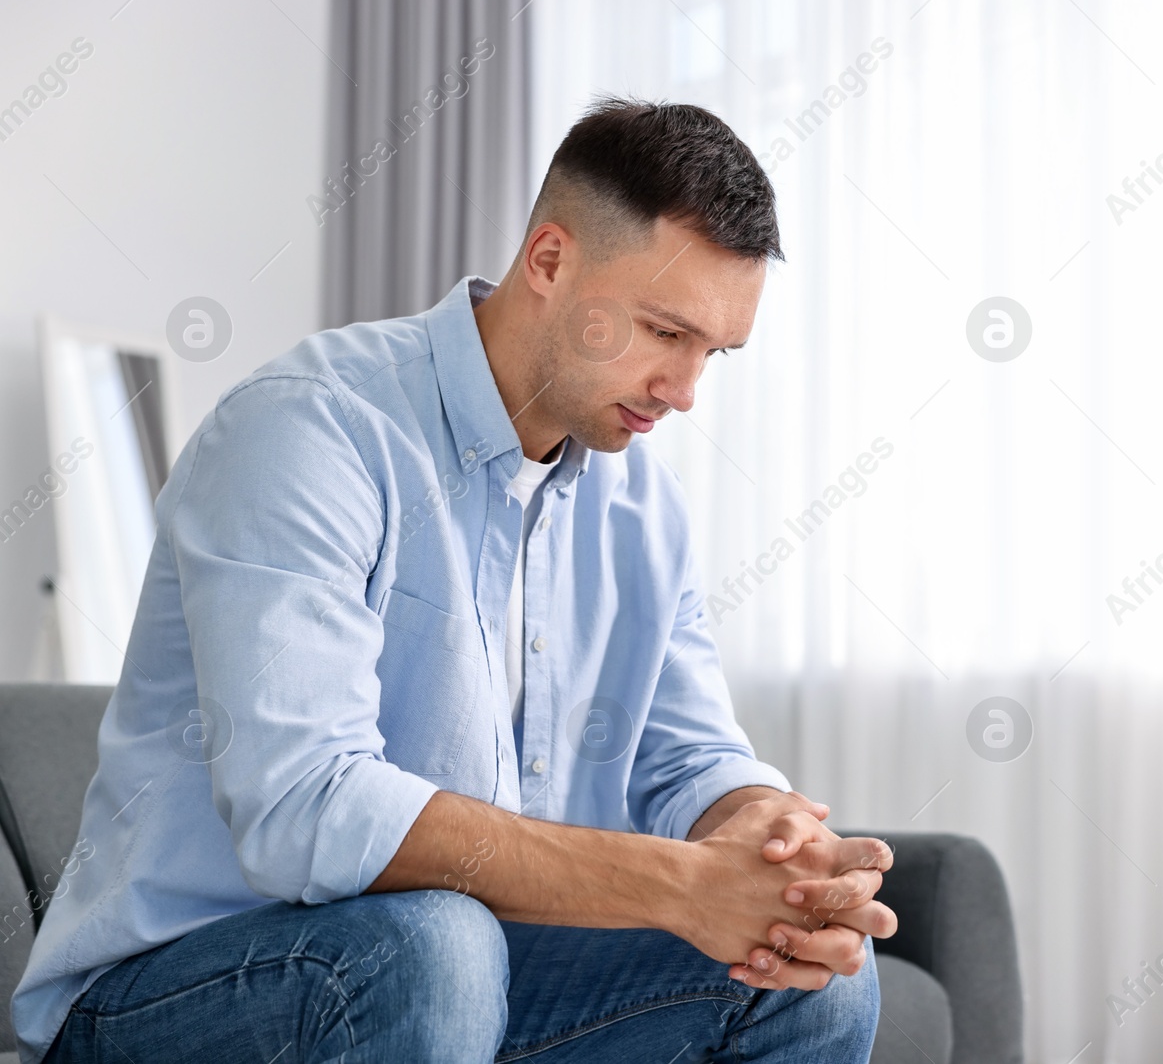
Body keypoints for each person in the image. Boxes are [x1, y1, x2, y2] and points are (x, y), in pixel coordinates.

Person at [12, 98, 894, 1064]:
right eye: (662, 332)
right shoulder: (312, 429)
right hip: (175, 990)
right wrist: (680, 885)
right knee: (437, 945)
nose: (684, 391)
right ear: (550, 262)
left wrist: (770, 845)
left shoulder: (641, 504)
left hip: (450, 970)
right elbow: (306, 807)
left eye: (711, 354)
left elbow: (687, 760)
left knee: (806, 981)